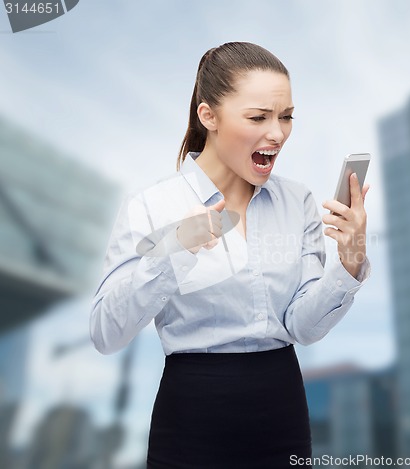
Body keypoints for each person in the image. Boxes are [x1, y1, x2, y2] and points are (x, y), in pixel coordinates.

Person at [90, 41, 370, 469]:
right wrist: (173, 250)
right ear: (209, 116)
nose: (277, 133)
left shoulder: (298, 202)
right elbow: (106, 333)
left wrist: (349, 261)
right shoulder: (153, 206)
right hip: (192, 414)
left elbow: (303, 327)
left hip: (283, 409)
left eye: (286, 116)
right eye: (258, 117)